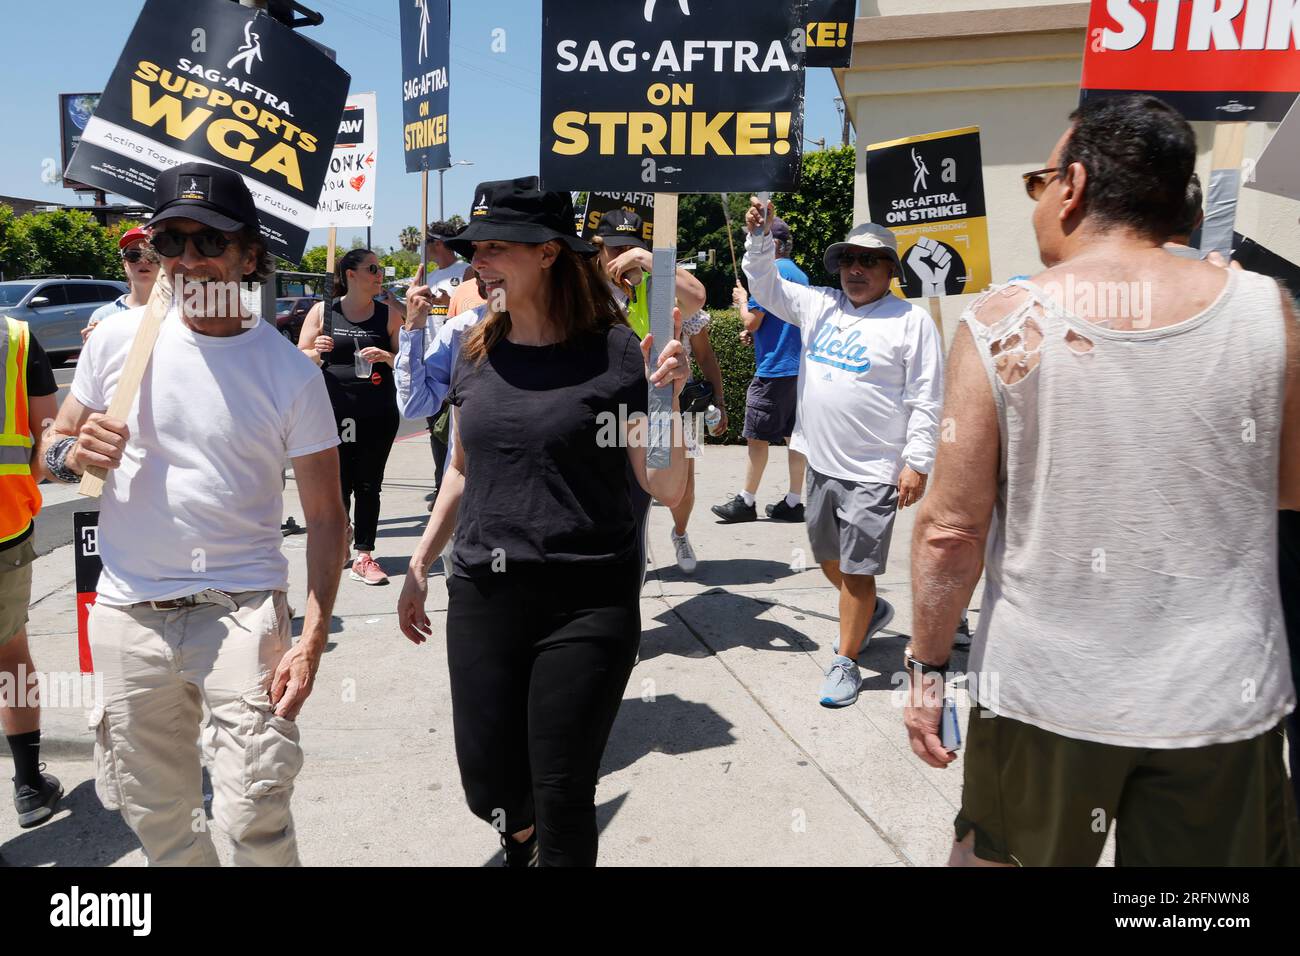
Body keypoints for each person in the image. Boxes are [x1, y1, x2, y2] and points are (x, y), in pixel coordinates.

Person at [905, 95, 1299, 866]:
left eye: (1040, 180)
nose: (1040, 199)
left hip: (1047, 694)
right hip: (1221, 700)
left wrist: (925, 669)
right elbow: (1291, 489)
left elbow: (950, 532)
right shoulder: (1268, 311)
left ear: (1074, 185)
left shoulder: (1001, 321)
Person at [38, 161, 346, 866]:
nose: (186, 259)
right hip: (127, 612)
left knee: (252, 815)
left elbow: (326, 516)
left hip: (238, 611)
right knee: (156, 820)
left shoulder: (290, 373)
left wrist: (313, 633)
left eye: (207, 241)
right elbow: (49, 451)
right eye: (169, 242)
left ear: (249, 254)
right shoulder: (116, 343)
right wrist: (73, 455)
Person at [396, 177, 690, 866]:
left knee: (563, 790)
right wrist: (418, 562)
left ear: (551, 253)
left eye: (498, 247)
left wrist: (668, 404)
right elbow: (462, 471)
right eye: (476, 249)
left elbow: (667, 485)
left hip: (587, 599)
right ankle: (517, 835)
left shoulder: (620, 355)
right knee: (491, 786)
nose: (479, 262)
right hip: (484, 591)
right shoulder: (473, 348)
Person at [743, 206, 943, 708]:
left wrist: (917, 462)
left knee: (857, 572)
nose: (857, 269)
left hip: (874, 473)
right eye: (849, 259)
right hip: (820, 464)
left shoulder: (911, 322)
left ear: (890, 271)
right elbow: (764, 286)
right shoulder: (821, 305)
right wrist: (759, 238)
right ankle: (868, 612)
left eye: (870, 261)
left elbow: (926, 397)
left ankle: (847, 661)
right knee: (828, 559)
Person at [592, 208, 715, 573]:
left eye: (632, 247)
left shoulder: (655, 282)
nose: (623, 257)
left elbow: (697, 296)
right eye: (616, 249)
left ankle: (679, 532)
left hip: (667, 397)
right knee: (627, 493)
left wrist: (648, 261)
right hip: (614, 410)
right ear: (599, 250)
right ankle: (632, 552)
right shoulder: (587, 289)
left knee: (682, 487)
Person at [298, 249, 403, 586]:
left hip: (377, 412)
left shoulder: (388, 315)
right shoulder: (324, 313)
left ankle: (365, 555)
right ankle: (342, 538)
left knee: (370, 483)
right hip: (333, 412)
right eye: (372, 268)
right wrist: (318, 350)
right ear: (350, 274)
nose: (379, 274)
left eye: (380, 268)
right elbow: (298, 358)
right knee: (339, 483)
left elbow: (406, 361)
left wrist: (387, 355)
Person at [1, 321, 60, 827]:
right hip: (3, 524)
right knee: (11, 656)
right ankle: (27, 785)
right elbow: (48, 437)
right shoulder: (15, 337)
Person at [714, 216, 807, 524]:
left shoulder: (767, 275)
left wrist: (742, 302)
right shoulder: (801, 275)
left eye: (756, 239)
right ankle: (794, 501)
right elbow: (779, 321)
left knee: (757, 438)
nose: (751, 245)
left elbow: (752, 320)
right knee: (795, 437)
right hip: (799, 371)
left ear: (774, 245)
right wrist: (754, 332)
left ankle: (747, 501)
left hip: (773, 370)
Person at [421, 222, 473, 502]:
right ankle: (441, 482)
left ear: (438, 243)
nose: (424, 248)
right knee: (435, 427)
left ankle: (456, 481)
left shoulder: (465, 270)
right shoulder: (428, 275)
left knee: (455, 427)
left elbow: (473, 303)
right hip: (432, 354)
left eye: (427, 242)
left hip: (457, 355)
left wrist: (447, 298)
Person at [84, 227, 160, 341]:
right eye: (134, 255)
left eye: (152, 254)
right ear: (124, 263)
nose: (143, 261)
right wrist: (91, 347)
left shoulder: (180, 313)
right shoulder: (103, 316)